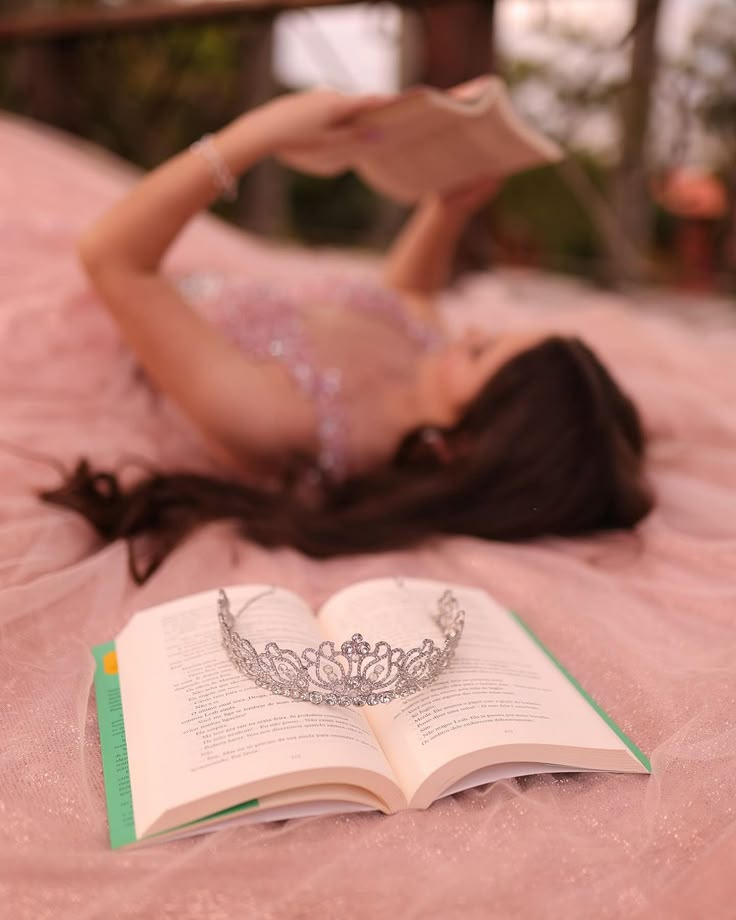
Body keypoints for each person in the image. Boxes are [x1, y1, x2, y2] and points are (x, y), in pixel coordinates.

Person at [43, 89, 653, 582]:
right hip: (187, 265)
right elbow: (409, 297)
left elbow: (110, 258)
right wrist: (450, 208)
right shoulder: (426, 364)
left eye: (481, 350)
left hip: (132, 284)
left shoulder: (279, 418)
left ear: (463, 444)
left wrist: (258, 133)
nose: (467, 329)